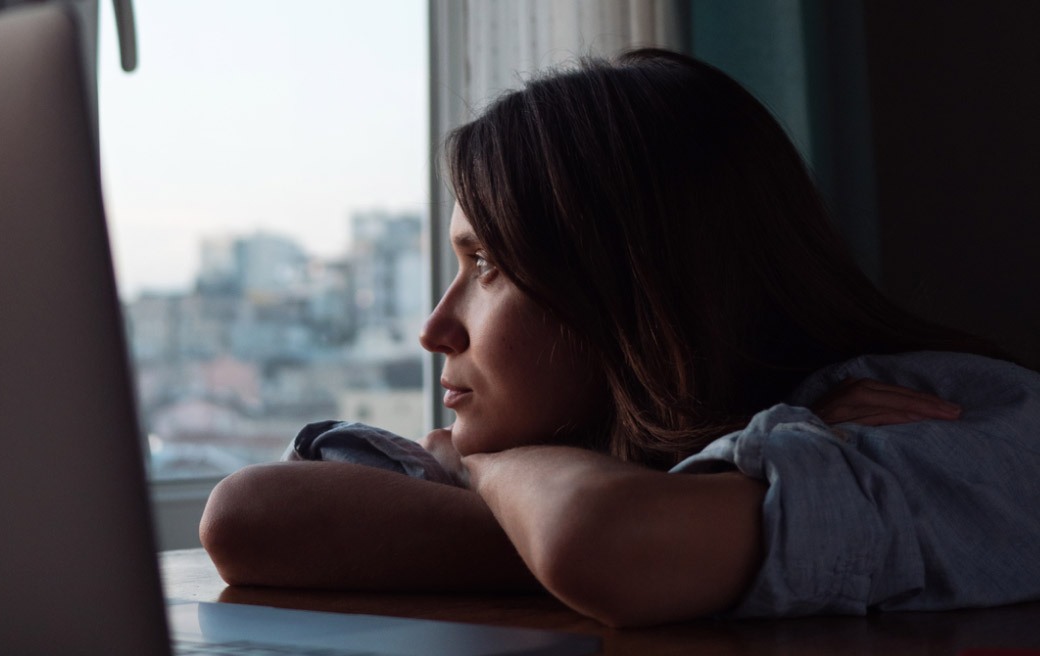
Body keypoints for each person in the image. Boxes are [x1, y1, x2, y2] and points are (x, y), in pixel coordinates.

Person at [199, 48, 1040, 627]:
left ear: (641, 283)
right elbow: (247, 517)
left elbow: (608, 541)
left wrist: (495, 475)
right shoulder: (565, 454)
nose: (435, 328)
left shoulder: (942, 420)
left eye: (488, 263)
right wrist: (616, 519)